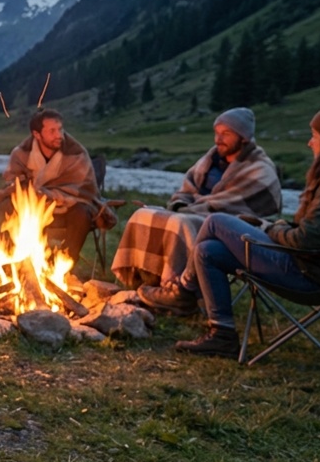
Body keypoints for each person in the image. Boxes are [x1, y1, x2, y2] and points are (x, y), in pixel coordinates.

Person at [175, 103, 320, 357]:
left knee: (216, 221)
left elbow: (308, 240)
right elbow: (317, 231)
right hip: (311, 265)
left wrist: (270, 229)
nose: (309, 143)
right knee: (208, 250)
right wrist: (281, 227)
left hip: (310, 275)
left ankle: (182, 290)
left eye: (315, 136)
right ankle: (222, 333)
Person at [116, 108, 282, 312]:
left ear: (244, 137)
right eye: (217, 133)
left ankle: (180, 290)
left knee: (181, 223)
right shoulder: (209, 160)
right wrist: (181, 205)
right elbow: (186, 190)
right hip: (195, 212)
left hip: (233, 224)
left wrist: (192, 209)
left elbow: (234, 204)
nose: (218, 139)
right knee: (143, 214)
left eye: (226, 134)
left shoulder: (261, 168)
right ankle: (145, 282)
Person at [0, 108, 112, 263]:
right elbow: (13, 182)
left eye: (60, 129)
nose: (59, 135)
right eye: (52, 131)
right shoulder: (22, 153)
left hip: (68, 207)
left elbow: (83, 189)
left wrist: (49, 194)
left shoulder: (76, 153)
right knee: (8, 206)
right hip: (33, 206)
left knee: (82, 214)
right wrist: (27, 193)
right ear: (37, 134)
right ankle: (16, 260)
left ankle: (63, 264)